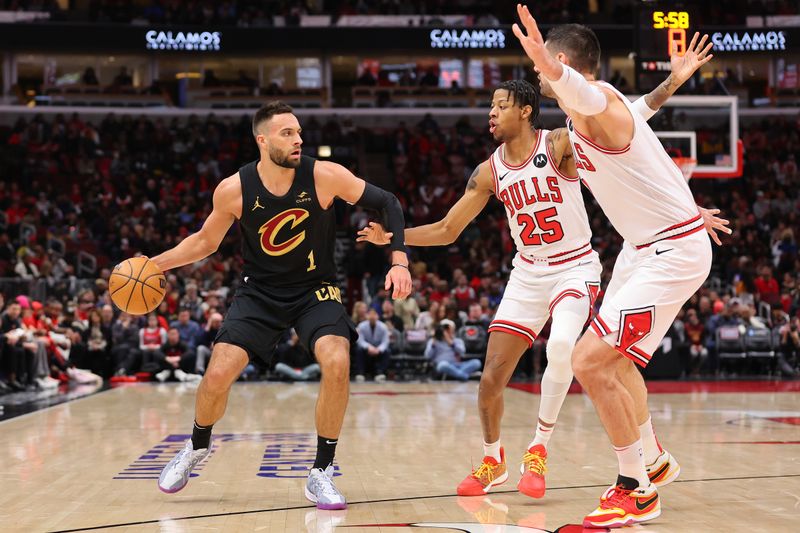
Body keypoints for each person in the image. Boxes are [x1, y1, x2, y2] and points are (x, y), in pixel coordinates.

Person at [359, 54, 717, 499]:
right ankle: (494, 460)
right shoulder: (488, 171)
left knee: (566, 348)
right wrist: (393, 238)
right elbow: (449, 229)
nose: (491, 112)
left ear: (525, 110)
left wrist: (671, 89)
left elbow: (631, 120)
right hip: (527, 273)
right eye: (490, 105)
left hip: (575, 267)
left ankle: (539, 449)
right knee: (491, 376)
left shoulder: (561, 144)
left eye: (500, 104)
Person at [513, 11, 731, 527]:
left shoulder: (596, 101)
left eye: (544, 70)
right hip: (643, 248)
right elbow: (643, 113)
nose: (538, 79)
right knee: (618, 362)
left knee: (589, 361)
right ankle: (652, 459)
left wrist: (549, 64)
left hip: (671, 252)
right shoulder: (592, 116)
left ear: (560, 63)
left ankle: (635, 488)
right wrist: (673, 81)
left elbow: (591, 96)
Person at [154, 101, 411, 510]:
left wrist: (398, 260)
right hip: (259, 292)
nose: (298, 139)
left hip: (316, 289)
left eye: (299, 132)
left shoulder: (325, 176)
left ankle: (320, 472)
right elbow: (204, 242)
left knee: (338, 362)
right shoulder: (233, 189)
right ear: (262, 140)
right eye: (286, 133)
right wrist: (154, 264)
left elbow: (390, 202)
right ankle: (196, 446)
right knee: (218, 372)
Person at [354, 307, 391, 383]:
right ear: (367, 316)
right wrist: (368, 347)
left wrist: (379, 349)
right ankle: (361, 373)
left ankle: (380, 372)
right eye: (370, 314)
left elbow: (385, 341)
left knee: (387, 351)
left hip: (378, 349)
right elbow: (360, 340)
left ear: (377, 316)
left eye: (374, 314)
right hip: (366, 349)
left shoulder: (383, 327)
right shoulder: (361, 326)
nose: (372, 316)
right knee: (358, 349)